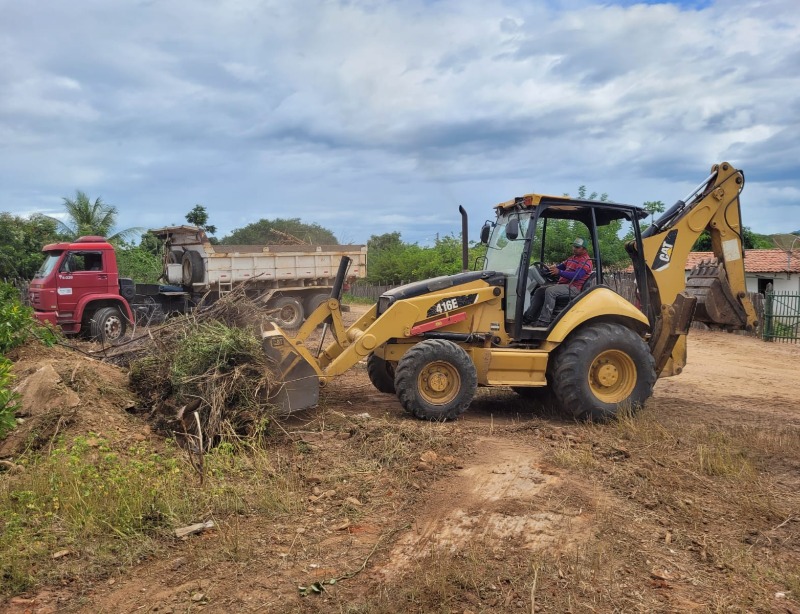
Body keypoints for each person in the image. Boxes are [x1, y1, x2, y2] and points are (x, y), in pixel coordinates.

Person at [523, 237, 593, 327]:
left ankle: (544, 321)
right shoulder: (572, 258)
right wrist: (550, 268)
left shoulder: (586, 261)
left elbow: (577, 276)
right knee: (540, 291)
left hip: (574, 287)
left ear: (584, 249)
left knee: (550, 291)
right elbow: (561, 266)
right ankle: (529, 317)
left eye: (577, 247)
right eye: (573, 246)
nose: (574, 249)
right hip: (564, 285)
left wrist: (559, 272)